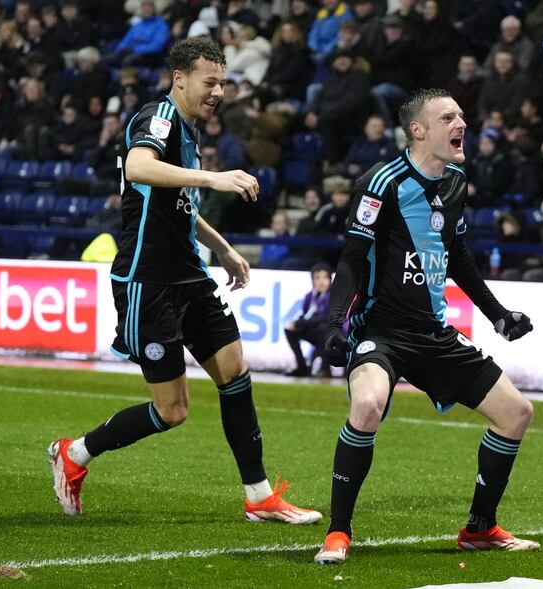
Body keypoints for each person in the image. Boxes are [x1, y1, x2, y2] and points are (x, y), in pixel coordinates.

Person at [47, 37, 321, 526]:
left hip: (189, 275)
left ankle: (258, 496)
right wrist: (214, 178)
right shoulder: (159, 117)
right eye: (208, 81)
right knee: (172, 412)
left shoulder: (190, 132)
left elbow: (179, 205)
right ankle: (75, 453)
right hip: (148, 281)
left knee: (235, 372)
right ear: (180, 78)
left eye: (223, 82)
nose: (218, 91)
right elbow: (140, 167)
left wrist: (221, 248)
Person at [313, 89, 539, 565]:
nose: (462, 124)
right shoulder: (383, 182)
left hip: (434, 334)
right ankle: (337, 531)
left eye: (462, 115)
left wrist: (497, 314)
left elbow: (457, 257)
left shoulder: (456, 180)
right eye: (448, 117)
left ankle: (479, 529)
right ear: (418, 130)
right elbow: (352, 260)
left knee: (516, 414)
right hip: (383, 331)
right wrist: (334, 325)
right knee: (368, 405)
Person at [284, 262, 332, 377]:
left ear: (330, 279)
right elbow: (306, 315)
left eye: (325, 277)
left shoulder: (334, 296)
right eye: (317, 278)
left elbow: (325, 318)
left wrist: (301, 322)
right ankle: (301, 367)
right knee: (289, 330)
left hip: (332, 333)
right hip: (316, 330)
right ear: (312, 280)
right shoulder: (309, 297)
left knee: (322, 328)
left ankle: (324, 368)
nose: (321, 281)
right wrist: (296, 323)